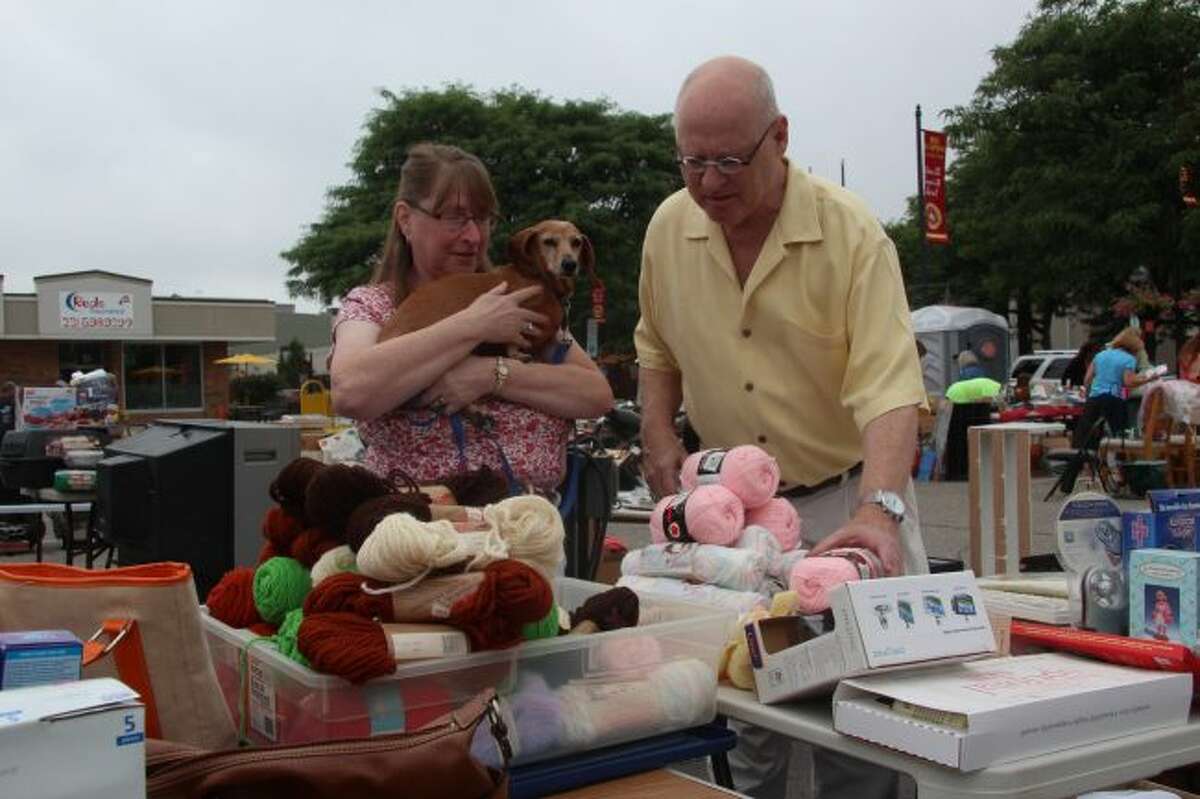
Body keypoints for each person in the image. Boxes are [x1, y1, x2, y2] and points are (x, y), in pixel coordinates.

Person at [635, 56, 927, 799]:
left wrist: (879, 511)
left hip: (845, 504)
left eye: (730, 160)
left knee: (862, 725)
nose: (709, 183)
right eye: (693, 161)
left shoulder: (850, 232)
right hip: (734, 521)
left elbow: (891, 387)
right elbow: (655, 346)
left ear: (780, 138)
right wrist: (659, 434)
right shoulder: (670, 228)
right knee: (740, 720)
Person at [329, 142, 613, 494]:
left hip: (529, 530)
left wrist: (491, 375)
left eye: (483, 218)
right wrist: (472, 325)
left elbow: (596, 396)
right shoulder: (373, 305)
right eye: (454, 218)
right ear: (406, 219)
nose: (474, 237)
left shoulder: (517, 299)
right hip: (421, 529)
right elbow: (350, 391)